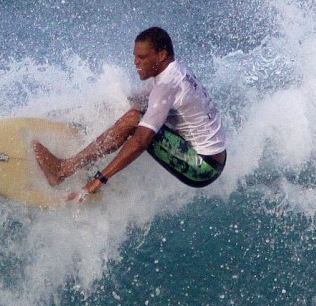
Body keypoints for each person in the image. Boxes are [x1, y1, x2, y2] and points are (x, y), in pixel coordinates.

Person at [34, 27, 227, 201]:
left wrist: (99, 180)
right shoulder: (170, 72)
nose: (136, 62)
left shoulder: (167, 85)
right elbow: (137, 100)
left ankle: (62, 171)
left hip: (202, 167)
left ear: (161, 55)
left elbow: (142, 140)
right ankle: (87, 157)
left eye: (142, 57)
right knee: (128, 107)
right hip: (207, 152)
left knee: (134, 119)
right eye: (135, 56)